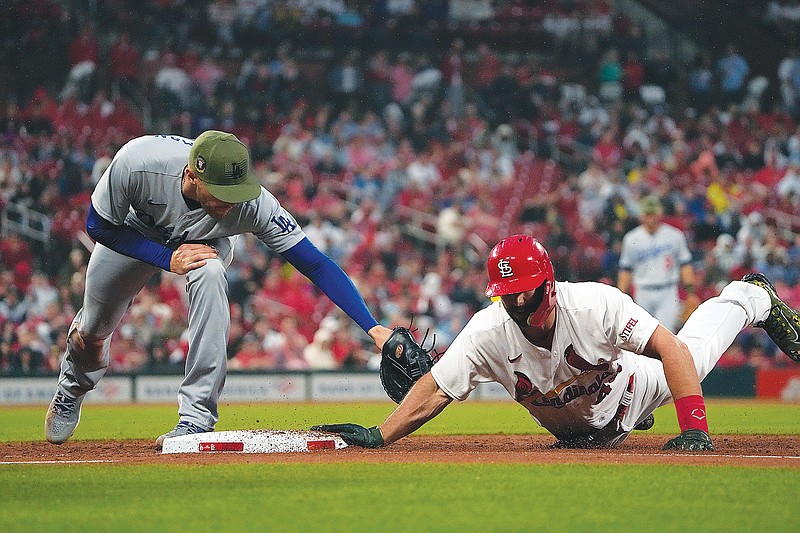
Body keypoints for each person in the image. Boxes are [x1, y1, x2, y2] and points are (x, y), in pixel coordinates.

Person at [44, 130, 392, 448]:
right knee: (92, 331)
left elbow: (315, 263)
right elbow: (98, 226)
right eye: (222, 192)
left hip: (205, 244)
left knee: (209, 271)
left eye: (237, 191)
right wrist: (167, 258)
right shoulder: (140, 162)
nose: (232, 202)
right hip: (134, 234)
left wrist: (371, 326)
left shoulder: (253, 202)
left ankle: (196, 417)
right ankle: (72, 387)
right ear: (192, 175)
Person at [313, 235, 800, 451]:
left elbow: (668, 348)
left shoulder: (594, 305)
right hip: (583, 426)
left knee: (692, 351)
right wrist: (381, 434)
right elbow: (437, 388)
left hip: (635, 386)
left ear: (547, 286)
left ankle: (748, 296)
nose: (510, 305)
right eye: (502, 295)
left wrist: (695, 427)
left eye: (518, 294)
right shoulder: (488, 330)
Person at [617, 196, 696, 332]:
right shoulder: (631, 238)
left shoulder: (674, 235)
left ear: (660, 213)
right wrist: (621, 298)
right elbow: (626, 270)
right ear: (641, 215)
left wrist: (690, 292)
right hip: (643, 291)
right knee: (641, 334)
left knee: (667, 333)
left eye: (653, 214)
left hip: (668, 291)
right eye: (648, 214)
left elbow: (685, 264)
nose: (651, 218)